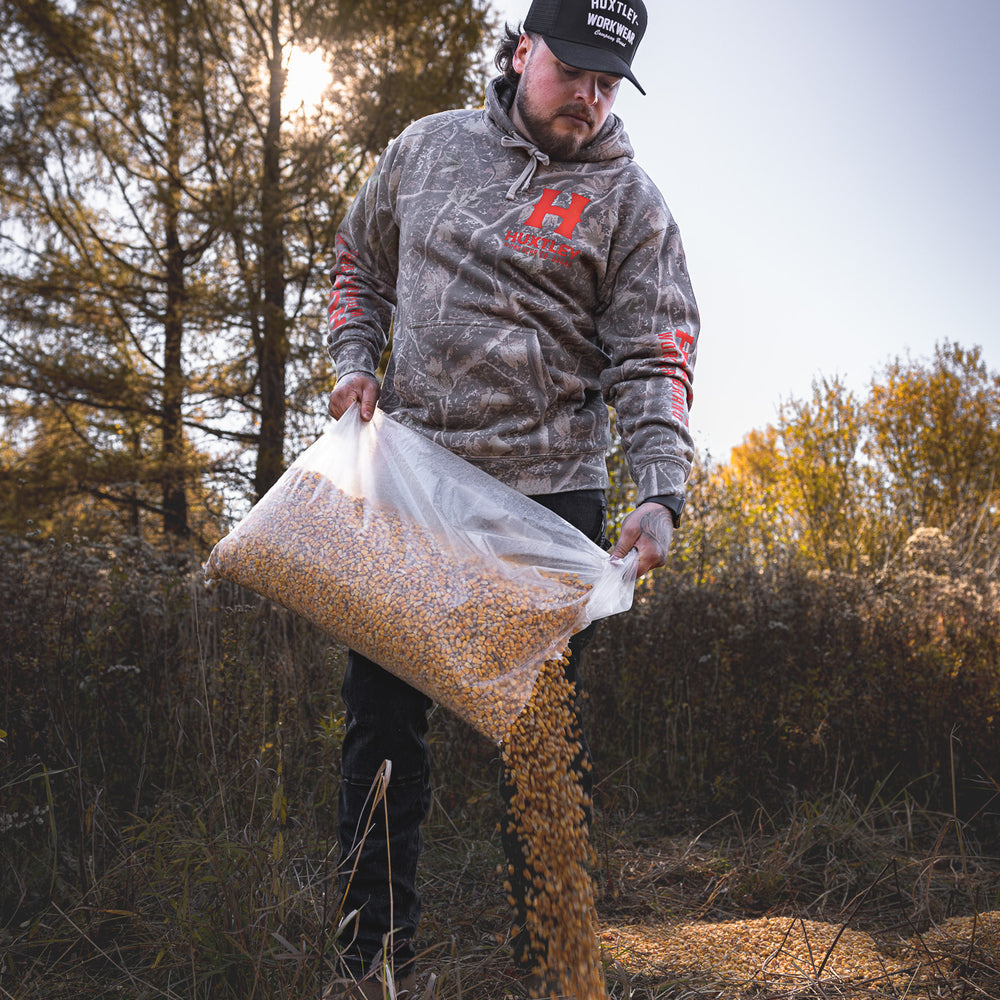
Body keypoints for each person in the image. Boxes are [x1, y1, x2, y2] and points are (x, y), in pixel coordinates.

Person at [324, 0, 699, 995]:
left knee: (540, 749)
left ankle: (551, 971)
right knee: (380, 732)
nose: (587, 92)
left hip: (546, 505)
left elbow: (654, 356)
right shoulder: (426, 150)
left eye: (607, 80)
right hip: (409, 483)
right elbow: (358, 260)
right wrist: (356, 361)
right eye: (570, 66)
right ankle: (369, 963)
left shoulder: (630, 201)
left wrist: (661, 494)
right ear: (522, 48)